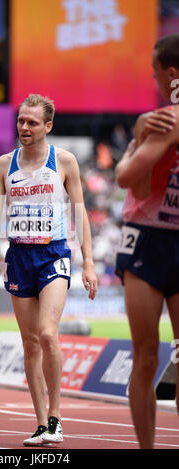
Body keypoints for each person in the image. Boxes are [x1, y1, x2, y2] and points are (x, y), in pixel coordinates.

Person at [0, 94, 97, 446]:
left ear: (48, 126)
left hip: (53, 254)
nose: (24, 127)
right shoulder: (3, 165)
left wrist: (88, 261)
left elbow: (80, 213)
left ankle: (57, 417)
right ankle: (41, 423)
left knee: (47, 333)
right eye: (20, 121)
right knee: (30, 345)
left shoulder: (64, 162)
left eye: (32, 122)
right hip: (18, 256)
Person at [115, 33, 179, 449]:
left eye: (154, 71)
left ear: (170, 73)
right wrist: (140, 137)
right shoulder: (164, 121)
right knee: (147, 355)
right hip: (146, 239)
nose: (152, 79)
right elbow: (129, 181)